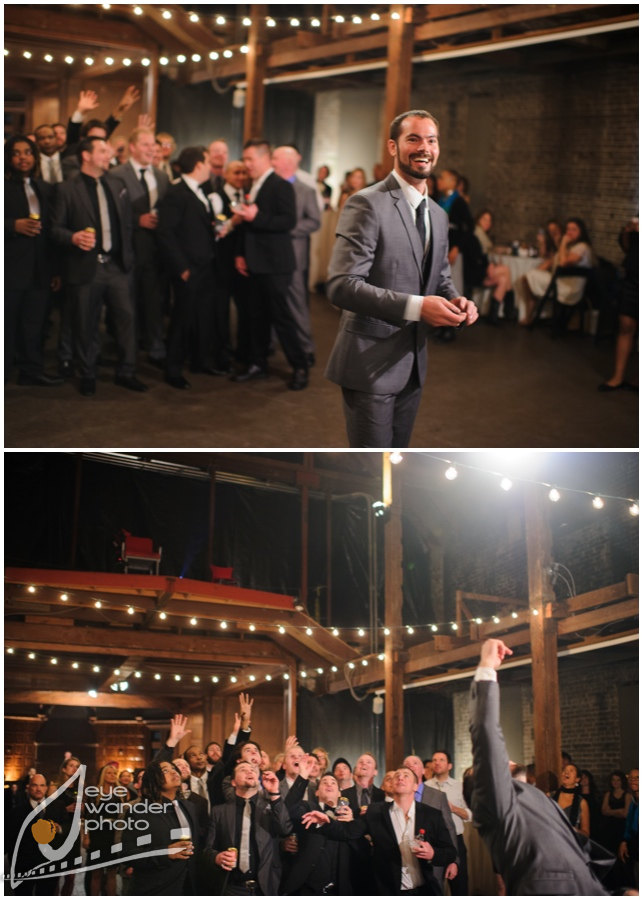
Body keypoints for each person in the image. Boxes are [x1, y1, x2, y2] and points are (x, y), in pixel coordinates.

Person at [325, 109, 478, 448]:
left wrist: (457, 300)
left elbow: (438, 277)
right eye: (414, 139)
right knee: (371, 465)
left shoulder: (438, 214)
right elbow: (341, 286)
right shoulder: (366, 203)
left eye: (431, 140)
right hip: (369, 363)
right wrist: (417, 307)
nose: (424, 147)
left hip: (413, 365)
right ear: (393, 147)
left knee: (398, 458)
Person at [468, 638, 610, 895]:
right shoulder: (492, 802)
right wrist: (487, 668)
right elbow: (486, 736)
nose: (505, 760)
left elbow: (576, 848)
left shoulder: (537, 797)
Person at [50, 135, 147, 397]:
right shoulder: (67, 189)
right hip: (85, 267)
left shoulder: (117, 184)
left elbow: (126, 224)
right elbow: (54, 229)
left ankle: (127, 372)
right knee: (85, 323)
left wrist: (128, 259)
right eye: (103, 151)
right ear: (86, 155)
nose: (109, 155)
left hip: (117, 266)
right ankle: (88, 373)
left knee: (127, 319)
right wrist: (73, 237)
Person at [302, 765, 457, 895]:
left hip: (423, 890)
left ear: (416, 786)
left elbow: (450, 852)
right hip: (387, 890)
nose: (400, 778)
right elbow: (348, 832)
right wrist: (326, 822)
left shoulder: (431, 814)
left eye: (406, 775)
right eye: (397, 776)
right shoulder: (375, 811)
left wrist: (433, 854)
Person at [231, 138, 309, 391]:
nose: (246, 164)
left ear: (265, 158)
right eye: (245, 159)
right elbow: (248, 226)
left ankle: (299, 366)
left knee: (282, 317)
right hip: (254, 261)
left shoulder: (280, 185)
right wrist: (241, 254)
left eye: (250, 159)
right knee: (256, 316)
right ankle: (258, 364)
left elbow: (288, 221)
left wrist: (258, 216)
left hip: (275, 264)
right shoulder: (253, 185)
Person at [156, 145, 217, 389]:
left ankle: (199, 360)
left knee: (199, 317)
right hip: (188, 268)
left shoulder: (200, 190)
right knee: (181, 319)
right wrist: (181, 267)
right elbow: (165, 232)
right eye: (209, 162)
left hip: (205, 265)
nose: (212, 167)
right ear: (199, 165)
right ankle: (173, 369)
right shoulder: (177, 192)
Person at [4, 134, 63, 387]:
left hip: (40, 269)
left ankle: (32, 370)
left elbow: (51, 232)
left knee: (34, 325)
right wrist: (11, 225)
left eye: (27, 152)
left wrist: (55, 270)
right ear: (8, 158)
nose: (23, 157)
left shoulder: (43, 188)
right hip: (9, 270)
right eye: (16, 153)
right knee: (5, 326)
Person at [109, 126, 171, 369]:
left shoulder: (162, 176)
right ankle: (127, 353)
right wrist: (137, 221)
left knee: (155, 302)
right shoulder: (116, 174)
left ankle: (156, 348)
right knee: (127, 305)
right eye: (146, 145)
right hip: (128, 250)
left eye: (153, 146)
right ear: (133, 147)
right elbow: (112, 213)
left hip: (155, 253)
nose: (151, 149)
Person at [205, 761, 292, 896]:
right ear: (233, 782)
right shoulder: (219, 812)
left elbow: (285, 829)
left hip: (264, 887)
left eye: (252, 769)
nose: (249, 771)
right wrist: (216, 857)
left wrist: (274, 792)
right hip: (231, 887)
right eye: (243, 769)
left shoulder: (271, 806)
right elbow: (207, 850)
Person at [271, 145, 321, 367]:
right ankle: (269, 344)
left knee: (296, 303)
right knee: (270, 300)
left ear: (288, 163)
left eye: (275, 158)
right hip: (270, 255)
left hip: (293, 253)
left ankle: (305, 348)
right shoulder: (269, 186)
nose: (272, 161)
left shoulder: (306, 190)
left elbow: (314, 221)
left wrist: (284, 228)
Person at [123, 759, 198, 895]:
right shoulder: (140, 811)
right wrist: (165, 853)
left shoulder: (188, 807)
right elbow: (128, 853)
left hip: (187, 887)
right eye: (165, 770)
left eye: (174, 768)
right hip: (154, 888)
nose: (173, 772)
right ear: (153, 779)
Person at [281, 772, 355, 895]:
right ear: (316, 792)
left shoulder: (348, 815)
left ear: (339, 793)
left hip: (340, 889)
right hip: (307, 887)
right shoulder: (307, 807)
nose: (329, 785)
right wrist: (303, 776)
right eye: (324, 782)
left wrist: (351, 822)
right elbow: (290, 808)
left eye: (333, 783)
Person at [522, 217, 595, 326]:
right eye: (568, 229)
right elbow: (552, 261)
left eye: (573, 229)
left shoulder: (582, 247)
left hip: (568, 286)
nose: (569, 232)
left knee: (528, 277)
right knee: (528, 276)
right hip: (560, 280)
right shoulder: (573, 246)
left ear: (581, 231)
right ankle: (530, 314)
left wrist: (563, 243)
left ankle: (530, 315)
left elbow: (562, 263)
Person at [5, 773, 63, 895]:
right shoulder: (16, 812)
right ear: (28, 787)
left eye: (42, 785)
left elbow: (65, 834)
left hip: (49, 867)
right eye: (35, 785)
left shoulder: (56, 808)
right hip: (24, 868)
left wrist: (59, 829)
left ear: (46, 788)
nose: (38, 789)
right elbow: (8, 841)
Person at [598, 217, 638, 391]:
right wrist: (628, 232)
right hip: (633, 276)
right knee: (625, 324)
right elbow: (627, 248)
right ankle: (618, 376)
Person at [426, 750, 472, 894]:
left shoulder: (460, 786)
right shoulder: (425, 786)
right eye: (434, 760)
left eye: (441, 760)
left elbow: (469, 815)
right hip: (432, 841)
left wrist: (453, 808)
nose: (437, 763)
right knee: (433, 886)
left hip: (455, 841)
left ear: (450, 765)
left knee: (459, 886)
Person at [473, 210, 514, 322]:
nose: (487, 223)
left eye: (489, 220)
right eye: (484, 219)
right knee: (506, 270)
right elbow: (478, 257)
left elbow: (487, 254)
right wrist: (490, 265)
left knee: (503, 279)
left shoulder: (483, 236)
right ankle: (509, 309)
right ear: (478, 220)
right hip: (476, 272)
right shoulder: (477, 234)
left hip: (482, 269)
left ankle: (493, 316)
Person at [551, 763, 591, 837]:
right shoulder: (550, 796)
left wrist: (573, 830)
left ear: (577, 779)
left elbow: (586, 833)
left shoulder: (582, 803)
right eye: (564, 770)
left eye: (571, 771)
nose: (566, 772)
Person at [601, 769, 633, 852]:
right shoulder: (608, 794)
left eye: (618, 780)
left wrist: (610, 811)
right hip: (609, 827)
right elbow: (604, 811)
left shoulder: (627, 795)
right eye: (613, 780)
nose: (615, 782)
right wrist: (620, 811)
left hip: (622, 828)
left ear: (622, 781)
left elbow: (626, 814)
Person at [618, 769, 639, 889]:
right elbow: (629, 824)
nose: (633, 780)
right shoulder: (633, 801)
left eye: (637, 777)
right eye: (630, 778)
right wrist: (624, 841)